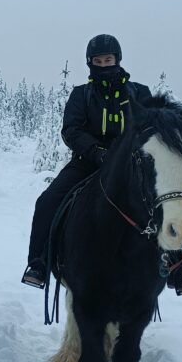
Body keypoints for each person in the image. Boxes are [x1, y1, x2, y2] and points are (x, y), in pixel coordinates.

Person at [21, 34, 152, 288]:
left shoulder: (140, 93)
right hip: (88, 162)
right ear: (90, 63)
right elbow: (71, 130)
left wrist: (127, 153)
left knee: (165, 200)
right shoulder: (81, 95)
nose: (104, 65)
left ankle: (178, 266)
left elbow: (150, 126)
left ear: (118, 59)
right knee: (47, 201)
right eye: (98, 61)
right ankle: (39, 263)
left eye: (108, 59)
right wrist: (98, 152)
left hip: (130, 166)